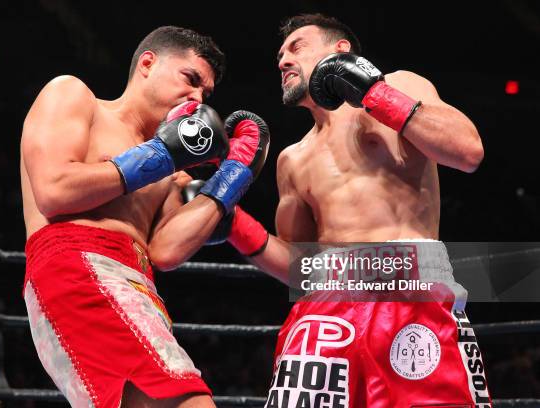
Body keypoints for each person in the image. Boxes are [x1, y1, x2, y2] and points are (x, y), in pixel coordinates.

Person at [191, 13, 491, 407]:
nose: (282, 61)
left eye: (296, 47)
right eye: (280, 54)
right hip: (324, 311)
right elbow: (300, 270)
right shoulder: (292, 159)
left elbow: (468, 152)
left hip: (409, 291)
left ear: (341, 50)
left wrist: (375, 93)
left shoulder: (400, 86)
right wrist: (234, 223)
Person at [20, 25, 269, 408]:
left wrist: (232, 175)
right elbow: (53, 191)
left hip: (140, 286)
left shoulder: (173, 167)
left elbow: (167, 251)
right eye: (191, 79)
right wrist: (160, 156)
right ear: (148, 64)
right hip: (79, 268)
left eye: (206, 92)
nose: (197, 96)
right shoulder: (75, 96)